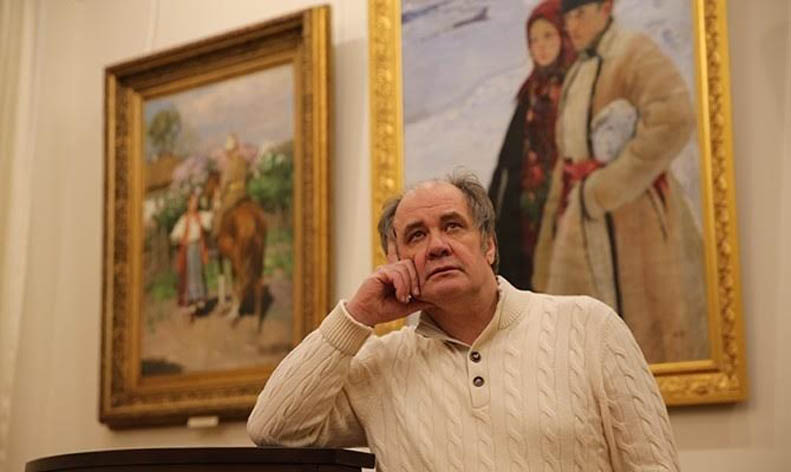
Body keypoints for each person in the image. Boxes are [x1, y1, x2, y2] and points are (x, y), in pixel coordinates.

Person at [248, 172, 679, 471]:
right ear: (396, 260)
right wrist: (357, 317)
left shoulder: (589, 327)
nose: (437, 246)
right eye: (417, 235)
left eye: (453, 227)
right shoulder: (380, 364)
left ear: (489, 245)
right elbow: (272, 428)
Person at [532, 0, 708, 363]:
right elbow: (568, 158)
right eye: (567, 17)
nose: (572, 26)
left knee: (650, 329)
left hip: (636, 222)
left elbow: (674, 118)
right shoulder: (579, 68)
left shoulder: (634, 52)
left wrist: (606, 188)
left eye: (580, 14)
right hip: (584, 218)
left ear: (606, 8)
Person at [489, 0, 576, 290]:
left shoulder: (578, 86)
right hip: (525, 213)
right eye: (534, 40)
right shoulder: (531, 91)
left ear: (564, 36)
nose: (541, 46)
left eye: (548, 36)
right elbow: (507, 159)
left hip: (568, 207)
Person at [170, 191, 213, 315]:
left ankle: (200, 299)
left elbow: (210, 218)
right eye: (192, 202)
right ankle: (192, 300)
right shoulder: (184, 219)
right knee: (190, 273)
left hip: (198, 247)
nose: (195, 204)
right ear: (188, 204)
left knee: (199, 272)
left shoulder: (200, 216)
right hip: (188, 248)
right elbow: (175, 234)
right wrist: (179, 240)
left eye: (196, 202)